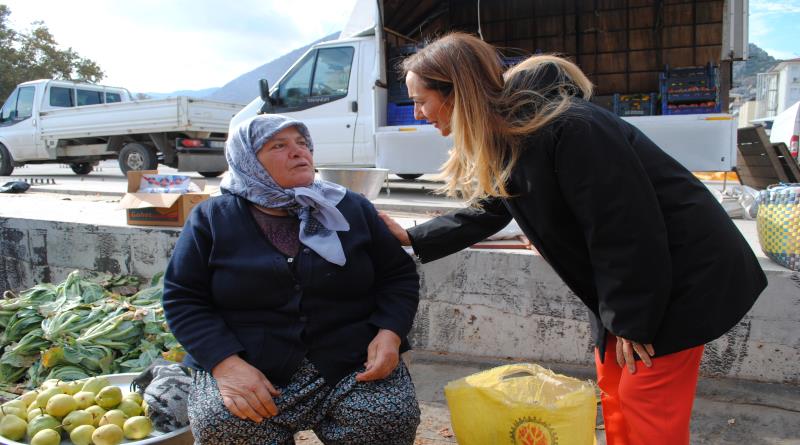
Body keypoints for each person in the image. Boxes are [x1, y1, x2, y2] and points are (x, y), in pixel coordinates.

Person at [378, 32, 767, 445]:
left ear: (458, 92)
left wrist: (632, 322)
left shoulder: (569, 128)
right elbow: (494, 207)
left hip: (681, 277)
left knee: (644, 399)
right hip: (633, 283)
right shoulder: (517, 131)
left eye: (421, 100)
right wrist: (413, 236)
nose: (418, 113)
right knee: (615, 386)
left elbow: (624, 228)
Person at [163, 114, 421, 444]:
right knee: (225, 423)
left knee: (387, 417)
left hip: (350, 360)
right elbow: (183, 297)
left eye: (302, 143)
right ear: (248, 160)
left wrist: (390, 333)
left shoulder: (349, 207)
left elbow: (397, 275)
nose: (298, 152)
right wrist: (224, 364)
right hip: (252, 363)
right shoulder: (212, 218)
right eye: (279, 145)